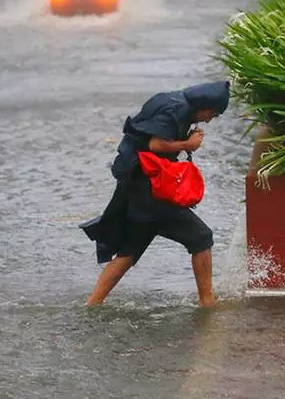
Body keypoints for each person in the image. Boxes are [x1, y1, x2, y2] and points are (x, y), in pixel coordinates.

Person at [81, 81, 231, 308]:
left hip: (137, 187)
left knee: (129, 251)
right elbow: (155, 144)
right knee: (201, 238)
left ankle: (92, 304)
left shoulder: (171, 100)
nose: (210, 119)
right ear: (205, 105)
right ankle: (207, 301)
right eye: (213, 113)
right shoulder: (177, 109)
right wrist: (188, 144)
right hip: (150, 190)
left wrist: (182, 140)